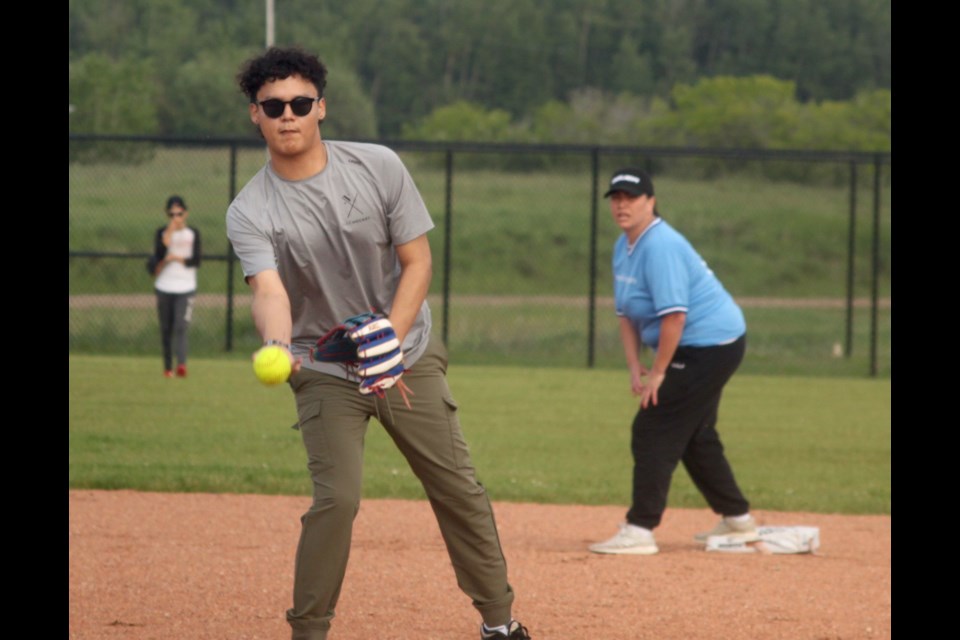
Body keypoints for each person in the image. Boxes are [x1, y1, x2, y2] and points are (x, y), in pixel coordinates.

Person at [225, 47, 531, 640]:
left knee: (456, 487)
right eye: (272, 105)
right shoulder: (250, 208)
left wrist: (388, 335)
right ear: (255, 115)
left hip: (406, 357)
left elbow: (417, 262)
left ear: (321, 108)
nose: (287, 114)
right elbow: (269, 289)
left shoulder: (378, 166)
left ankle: (499, 622)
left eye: (299, 102)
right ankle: (308, 631)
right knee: (337, 500)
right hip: (323, 365)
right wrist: (279, 344)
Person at [588, 168, 758, 555]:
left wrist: (658, 374)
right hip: (694, 345)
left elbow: (675, 317)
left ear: (651, 201)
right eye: (616, 197)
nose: (622, 204)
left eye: (631, 197)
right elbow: (626, 315)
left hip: (710, 344)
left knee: (653, 425)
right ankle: (738, 520)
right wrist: (635, 366)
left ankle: (640, 528)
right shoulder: (624, 245)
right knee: (696, 435)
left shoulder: (660, 245)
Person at [148, 195, 201, 378]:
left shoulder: (192, 234)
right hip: (164, 286)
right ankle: (167, 368)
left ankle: (182, 364)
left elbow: (196, 260)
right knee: (166, 328)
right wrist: (170, 231)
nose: (175, 217)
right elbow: (159, 254)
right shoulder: (162, 233)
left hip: (185, 287)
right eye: (171, 214)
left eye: (179, 213)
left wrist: (176, 258)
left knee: (181, 325)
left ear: (185, 213)